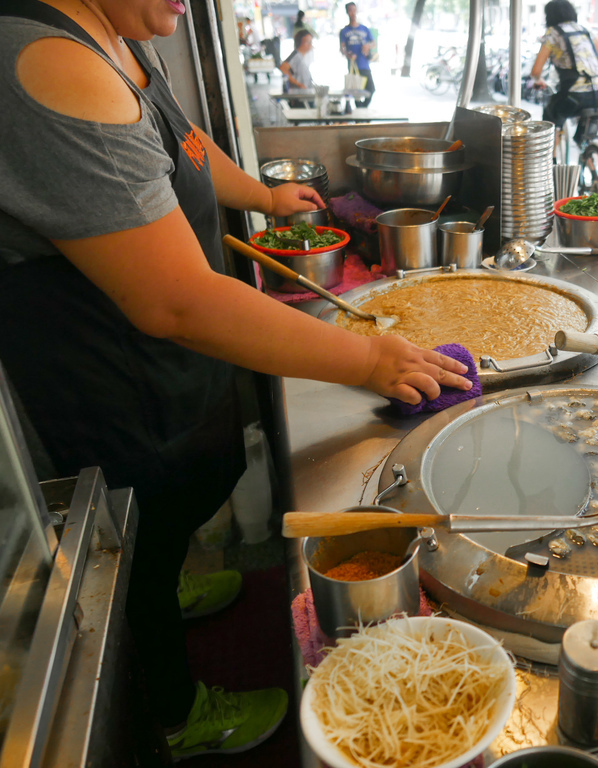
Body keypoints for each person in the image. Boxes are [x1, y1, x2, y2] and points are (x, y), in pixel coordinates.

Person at [0, 0, 471, 762]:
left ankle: (165, 580)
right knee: (134, 542)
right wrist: (374, 360)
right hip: (103, 383)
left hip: (155, 370)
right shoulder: (48, 65)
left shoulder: (113, 35)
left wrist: (262, 196)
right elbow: (176, 301)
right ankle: (177, 712)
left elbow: (180, 141)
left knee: (168, 513)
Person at [530, 0, 598, 148]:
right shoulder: (585, 31)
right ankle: (589, 159)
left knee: (550, 120)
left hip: (574, 97)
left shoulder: (552, 33)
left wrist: (539, 80)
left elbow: (535, 71)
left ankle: (552, 163)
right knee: (584, 140)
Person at [339, 2, 375, 108]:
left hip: (364, 65)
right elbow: (342, 48)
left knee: (371, 89)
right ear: (347, 12)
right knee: (356, 93)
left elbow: (373, 43)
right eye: (350, 10)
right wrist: (348, 54)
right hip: (353, 66)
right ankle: (359, 116)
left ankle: (363, 109)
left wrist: (367, 45)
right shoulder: (344, 31)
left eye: (354, 10)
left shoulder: (364, 29)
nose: (353, 13)